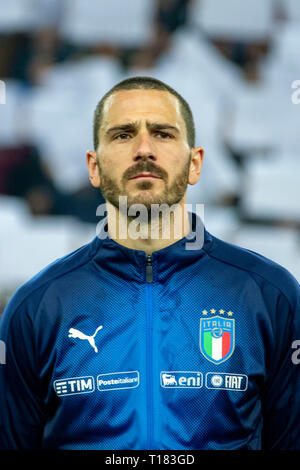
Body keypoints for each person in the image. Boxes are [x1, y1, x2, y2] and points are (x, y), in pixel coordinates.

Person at [0, 76, 299, 450]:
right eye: (123, 135)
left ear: (195, 163)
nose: (144, 149)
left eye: (163, 134)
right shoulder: (37, 309)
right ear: (94, 167)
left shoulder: (270, 297)